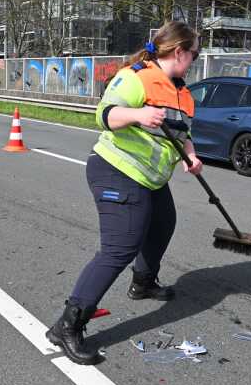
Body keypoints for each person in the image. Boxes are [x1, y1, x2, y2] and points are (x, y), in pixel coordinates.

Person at [46, 21, 203, 365]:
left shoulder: (182, 92)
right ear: (179, 51)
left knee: (163, 224)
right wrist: (139, 114)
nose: (195, 60)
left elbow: (180, 133)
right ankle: (68, 325)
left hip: (151, 178)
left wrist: (190, 155)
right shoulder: (137, 76)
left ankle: (143, 283)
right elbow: (104, 115)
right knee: (119, 248)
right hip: (116, 169)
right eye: (194, 54)